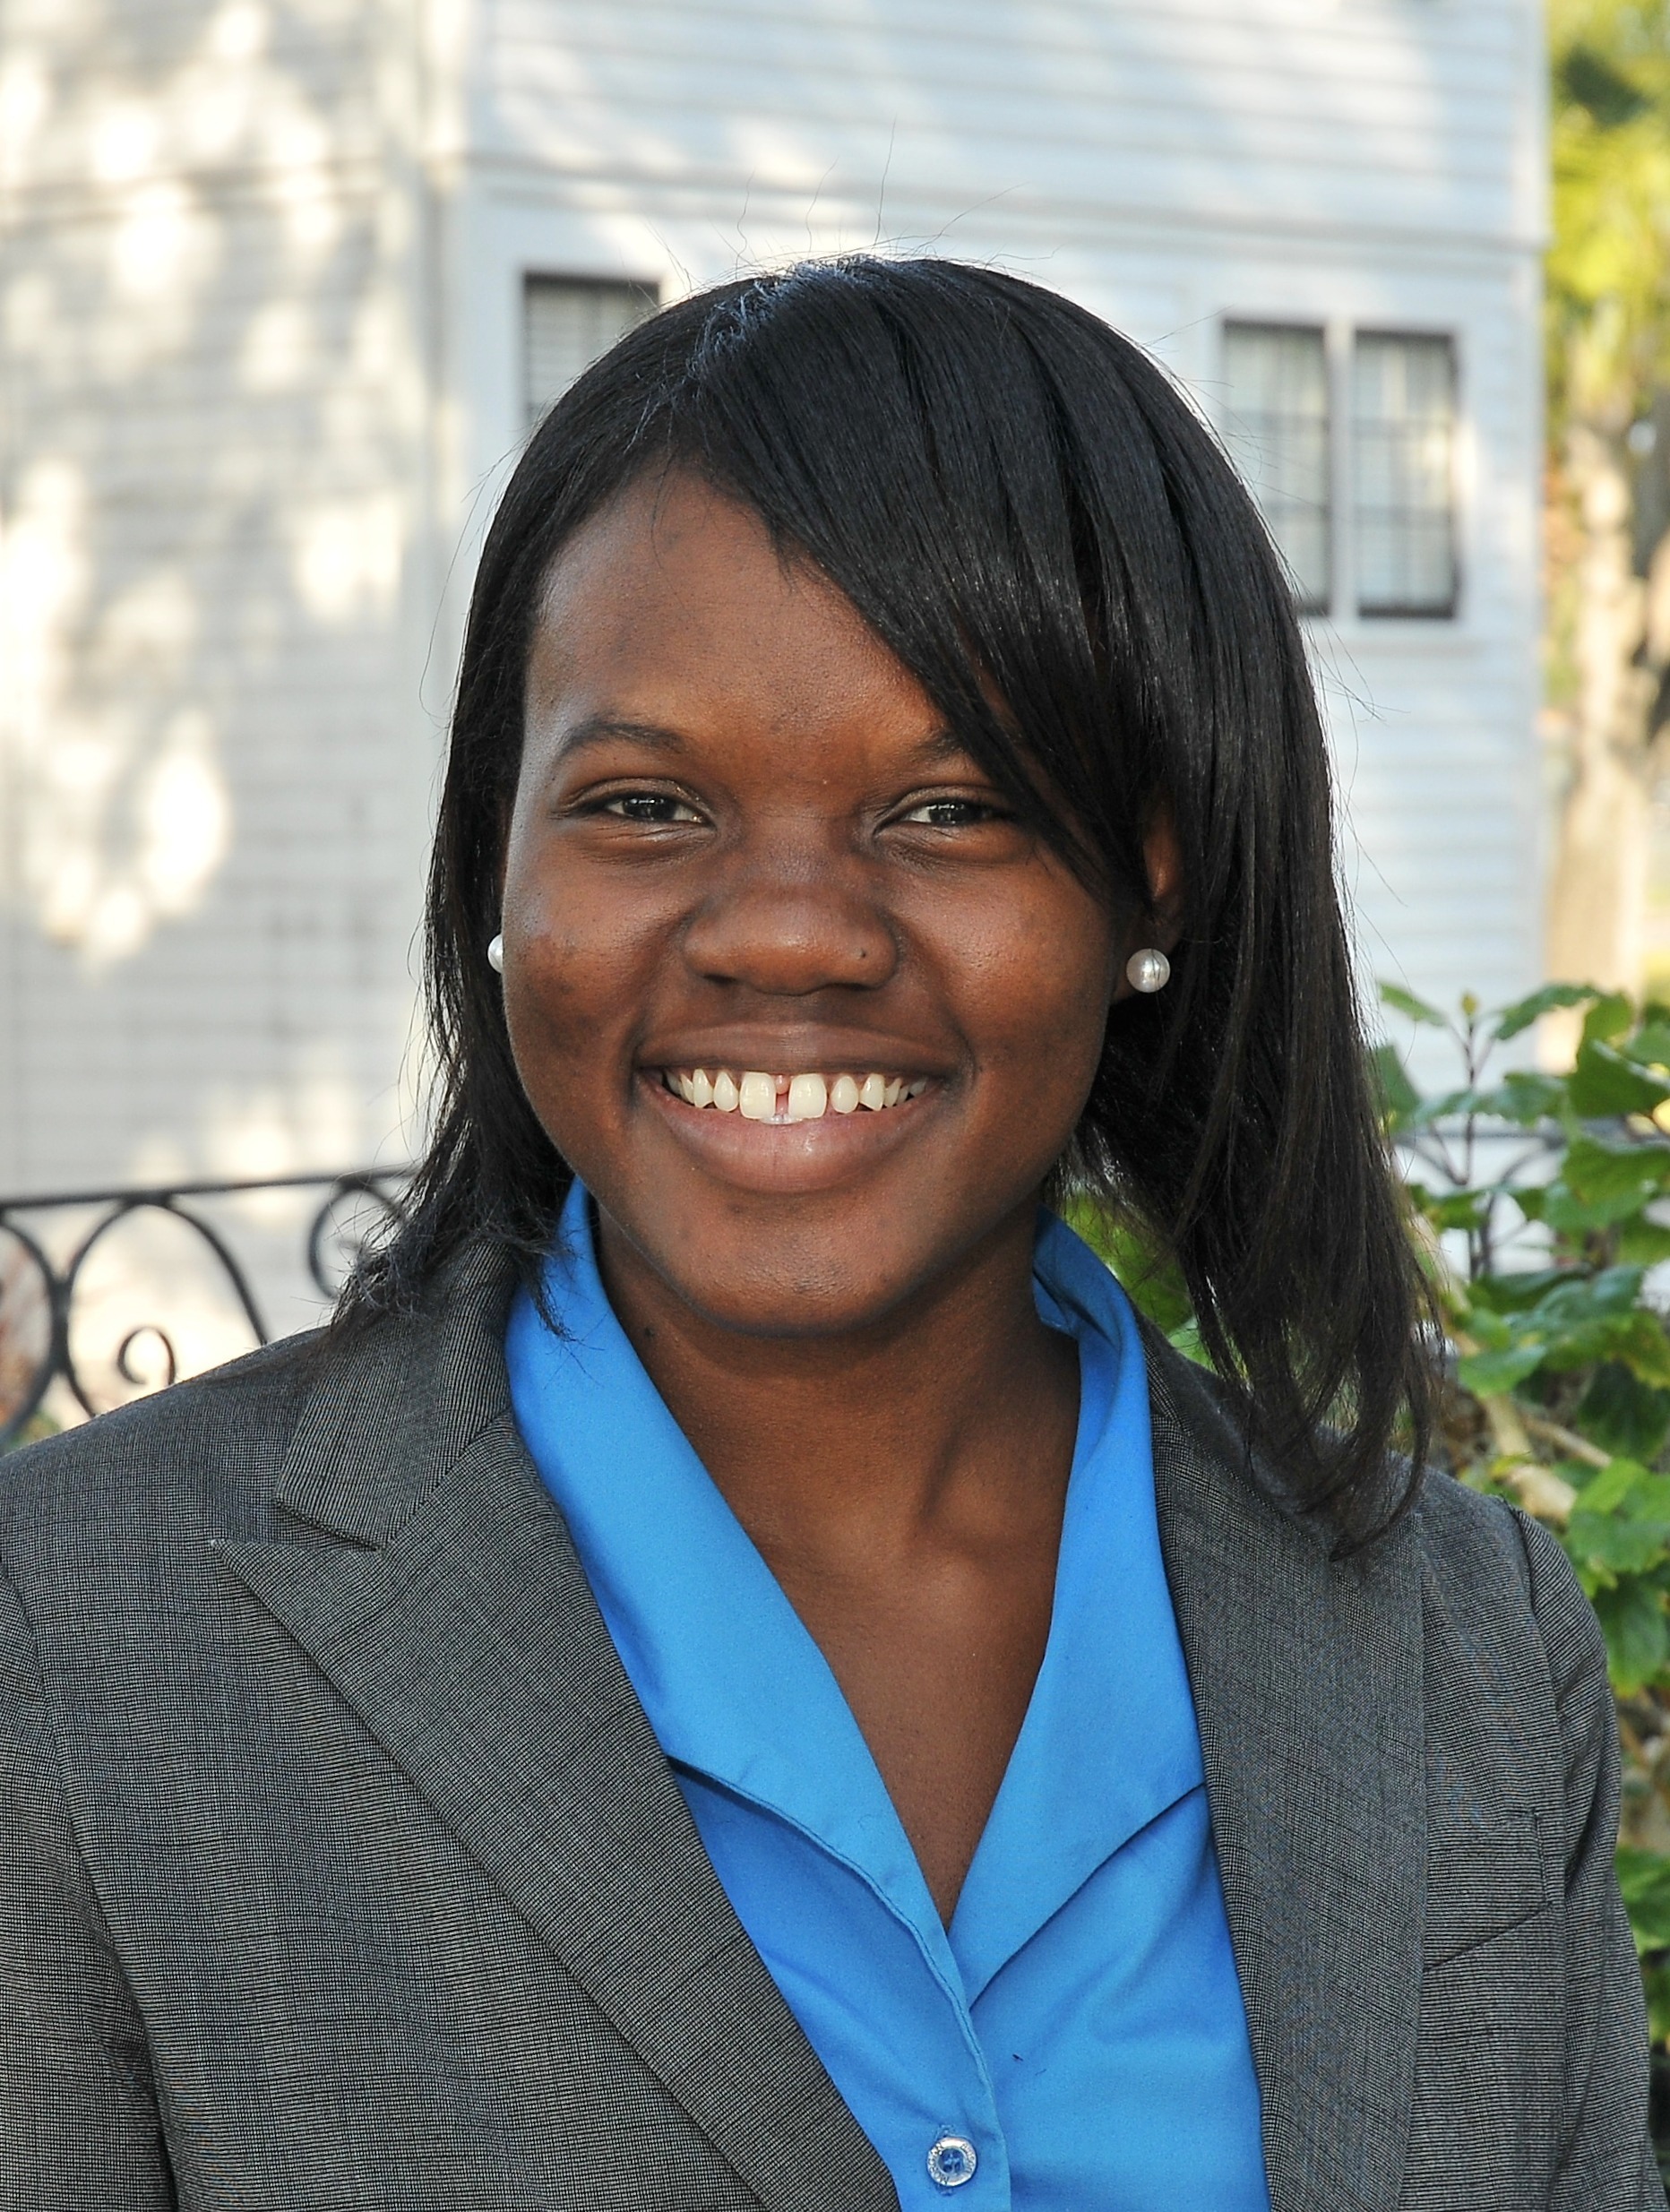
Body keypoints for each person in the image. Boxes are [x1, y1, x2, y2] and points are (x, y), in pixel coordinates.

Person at [0, 258, 1656, 2211]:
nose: (786, 930)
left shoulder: (1465, 1653)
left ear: (1151, 880)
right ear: (496, 868)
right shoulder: (78, 1635)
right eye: (644, 803)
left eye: (946, 810)